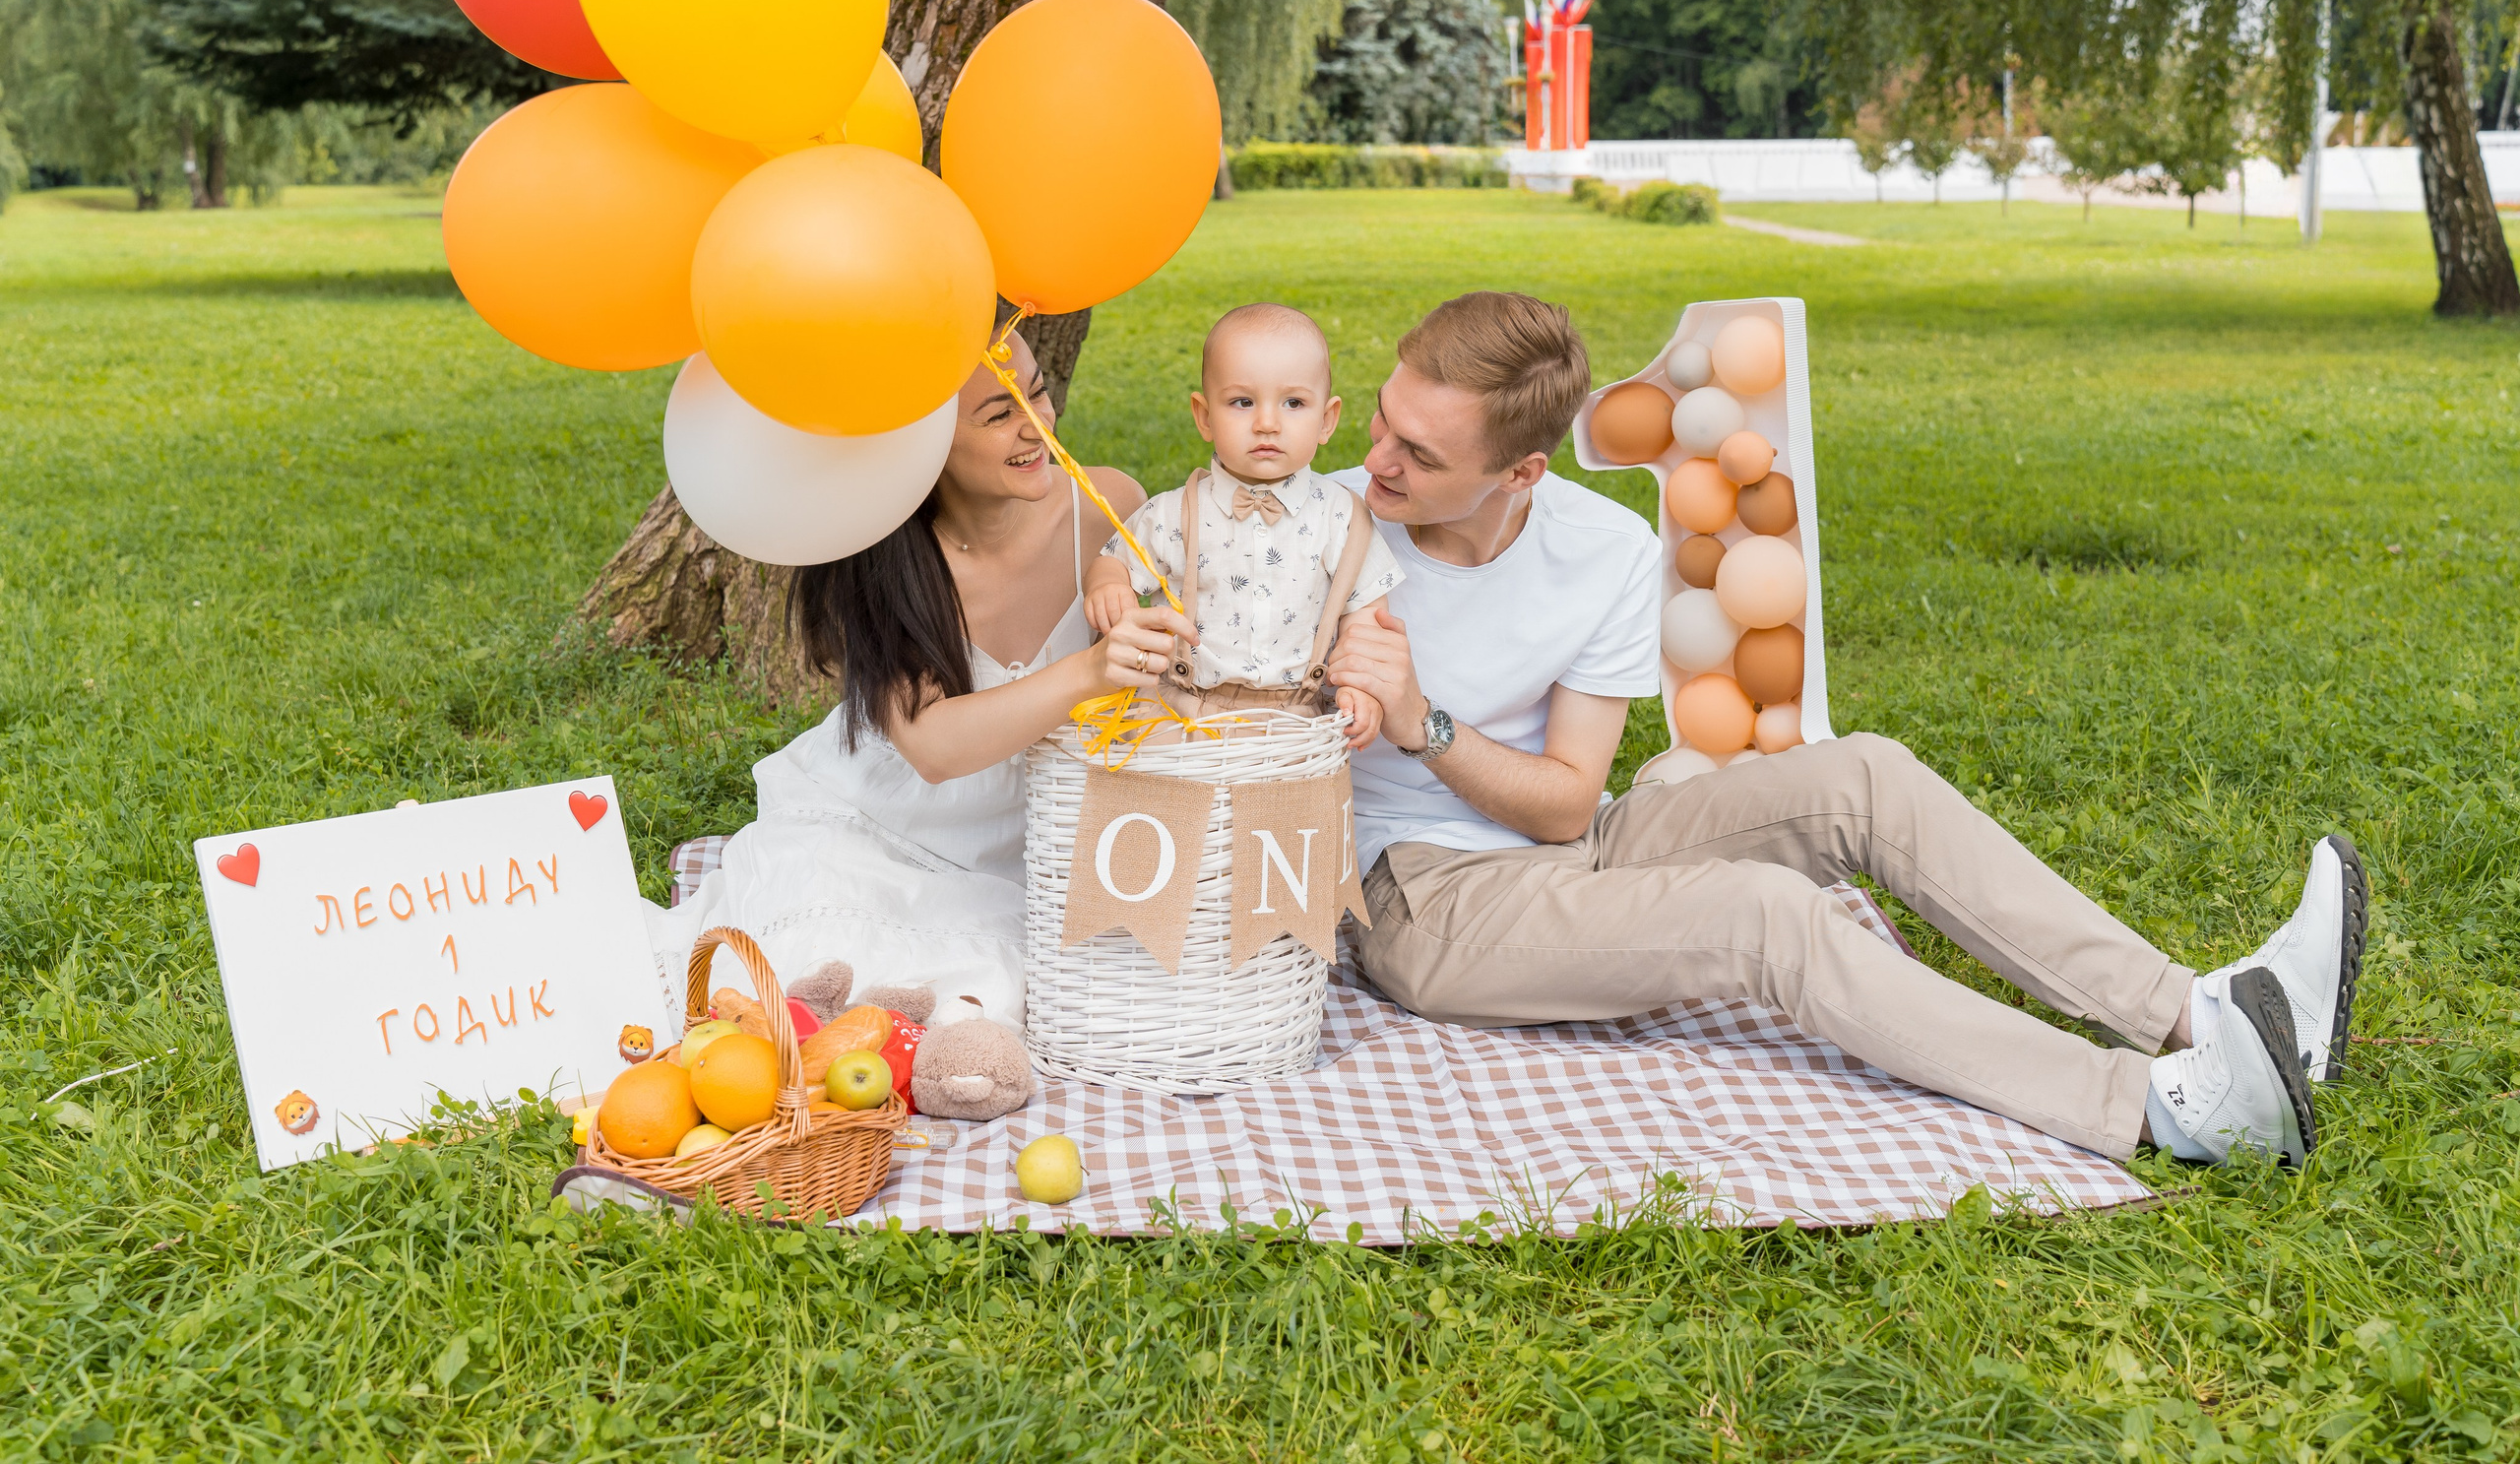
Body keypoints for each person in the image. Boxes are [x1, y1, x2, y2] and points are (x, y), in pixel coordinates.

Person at [1323, 291, 2364, 1166]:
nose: (1375, 460)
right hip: (1422, 896)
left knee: (1863, 773)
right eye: (1380, 422)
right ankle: (2168, 1109)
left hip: (1571, 840)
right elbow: (1161, 545)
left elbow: (1561, 805)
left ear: (1521, 473)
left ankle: (2203, 1012)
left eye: (1415, 451)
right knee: (1764, 916)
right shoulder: (1316, 534)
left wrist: (1426, 723)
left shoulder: (1604, 546)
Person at [640, 331, 1193, 1028]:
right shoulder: (883, 559)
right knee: (821, 967)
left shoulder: (1104, 504)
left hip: (1035, 835)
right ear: (923, 447)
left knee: (1051, 991)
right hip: (889, 824)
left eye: (1039, 388)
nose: (1038, 425)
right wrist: (1088, 671)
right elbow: (933, 749)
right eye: (998, 414)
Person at [1084, 302, 1401, 739]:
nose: (1266, 423)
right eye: (1242, 402)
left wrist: (1360, 687)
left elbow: (1365, 619)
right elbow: (1115, 559)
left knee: (1288, 811)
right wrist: (1109, 586)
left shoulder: (1342, 518)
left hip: (1296, 722)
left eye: (1293, 403)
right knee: (1175, 806)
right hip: (1185, 711)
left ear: (1327, 420)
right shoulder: (1175, 512)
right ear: (1204, 416)